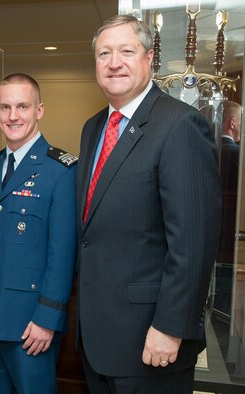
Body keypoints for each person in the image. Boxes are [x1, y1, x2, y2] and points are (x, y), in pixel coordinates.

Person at [76, 15, 221, 393]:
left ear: (149, 58)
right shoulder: (92, 128)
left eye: (127, 51)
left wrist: (172, 326)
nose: (114, 62)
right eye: (104, 53)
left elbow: (193, 242)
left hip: (152, 340)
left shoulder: (180, 125)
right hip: (98, 338)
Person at [0, 73, 77, 393]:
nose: (13, 116)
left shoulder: (60, 171)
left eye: (22, 106)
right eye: (5, 107)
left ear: (39, 110)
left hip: (30, 324)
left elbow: (63, 254)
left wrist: (47, 319)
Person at [214, 101, 242, 314]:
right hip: (233, 240)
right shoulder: (239, 156)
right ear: (232, 122)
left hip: (212, 236)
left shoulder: (209, 152)